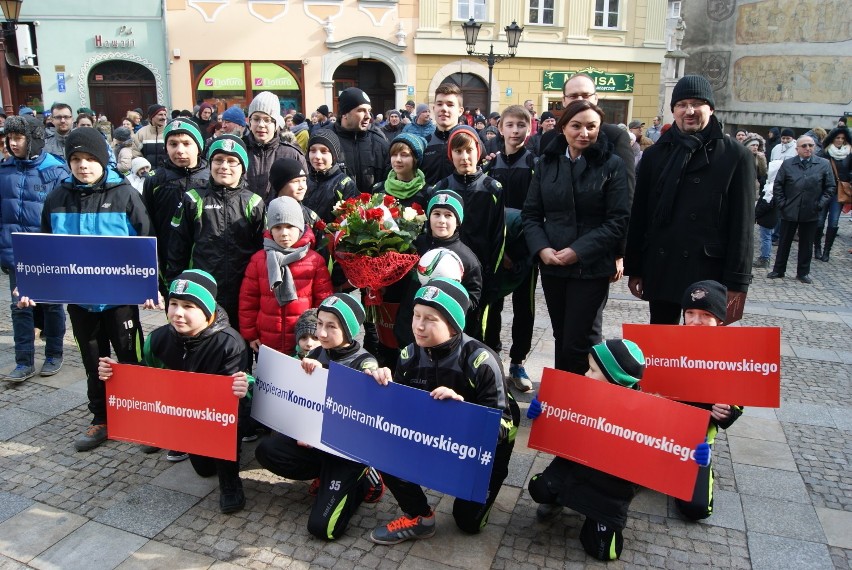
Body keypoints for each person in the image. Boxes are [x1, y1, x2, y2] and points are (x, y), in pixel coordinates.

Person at [526, 338, 711, 561]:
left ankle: (595, 515)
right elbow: (559, 422)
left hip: (610, 489)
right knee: (538, 489)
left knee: (605, 552)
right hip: (573, 467)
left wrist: (696, 455)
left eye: (593, 370)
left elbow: (667, 449)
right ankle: (557, 498)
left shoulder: (651, 412)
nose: (585, 374)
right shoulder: (579, 393)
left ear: (615, 379)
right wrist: (542, 410)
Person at [368, 278, 518, 544]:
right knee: (383, 447)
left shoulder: (482, 361)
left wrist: (462, 413)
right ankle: (419, 517)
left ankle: (487, 484)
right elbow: (397, 415)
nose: (419, 326)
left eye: (431, 319)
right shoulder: (408, 355)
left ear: (453, 324)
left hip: (481, 446)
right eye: (416, 315)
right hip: (437, 436)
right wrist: (380, 383)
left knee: (468, 523)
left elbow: (504, 427)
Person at [97, 270, 252, 513]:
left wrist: (244, 386)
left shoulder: (230, 343)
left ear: (208, 310)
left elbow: (242, 390)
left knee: (225, 443)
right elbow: (145, 378)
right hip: (181, 412)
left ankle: (230, 482)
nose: (178, 313)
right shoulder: (158, 338)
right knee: (203, 469)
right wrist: (115, 374)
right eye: (173, 304)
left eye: (189, 306)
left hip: (217, 416)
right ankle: (181, 440)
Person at [36, 127, 152, 451]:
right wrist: (36, 286)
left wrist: (149, 287)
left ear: (102, 160)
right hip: (80, 301)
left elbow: (145, 242)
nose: (83, 165)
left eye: (89, 158)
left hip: (121, 301)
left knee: (130, 357)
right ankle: (101, 417)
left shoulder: (125, 194)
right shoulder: (57, 198)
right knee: (93, 361)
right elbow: (44, 250)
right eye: (76, 159)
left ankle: (140, 415)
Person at [624, 75, 754, 324]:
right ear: (673, 110)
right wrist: (636, 268)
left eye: (697, 103)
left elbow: (743, 226)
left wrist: (738, 281)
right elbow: (640, 215)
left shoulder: (736, 157)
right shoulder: (654, 155)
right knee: (662, 344)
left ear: (711, 108)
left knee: (701, 351)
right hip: (663, 265)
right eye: (682, 104)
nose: (689, 111)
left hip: (708, 269)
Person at [254, 292, 384, 541]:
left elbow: (364, 413)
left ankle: (365, 479)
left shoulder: (364, 363)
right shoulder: (316, 354)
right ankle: (324, 476)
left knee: (323, 529)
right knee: (267, 451)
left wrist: (377, 376)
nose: (321, 334)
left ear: (348, 329)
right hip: (318, 443)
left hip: (346, 452)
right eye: (320, 324)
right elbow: (303, 403)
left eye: (331, 326)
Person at [523, 100, 630, 376]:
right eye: (576, 126)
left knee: (581, 339)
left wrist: (578, 251)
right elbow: (532, 214)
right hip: (553, 264)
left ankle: (583, 403)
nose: (584, 132)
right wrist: (541, 248)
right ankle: (563, 400)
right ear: (563, 128)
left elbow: (618, 220)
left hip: (590, 266)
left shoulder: (612, 164)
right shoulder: (546, 162)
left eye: (591, 126)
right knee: (562, 336)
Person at [167, 134, 265, 329]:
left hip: (242, 292)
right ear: (210, 163)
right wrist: (173, 286)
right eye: (218, 160)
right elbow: (177, 248)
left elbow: (262, 252)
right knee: (205, 345)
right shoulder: (194, 198)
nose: (224, 166)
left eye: (232, 161)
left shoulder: (254, 202)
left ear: (243, 167)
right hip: (202, 290)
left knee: (239, 347)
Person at [0, 115, 69, 382]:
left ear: (34, 139)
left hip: (46, 252)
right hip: (16, 253)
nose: (13, 143)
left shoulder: (55, 171)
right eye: (10, 138)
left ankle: (54, 352)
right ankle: (23, 360)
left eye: (18, 138)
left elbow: (62, 216)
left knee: (52, 306)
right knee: (20, 308)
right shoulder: (4, 170)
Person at [673, 280, 742, 521]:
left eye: (705, 315)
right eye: (690, 313)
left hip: (697, 438)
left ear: (720, 320)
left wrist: (728, 412)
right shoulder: (665, 345)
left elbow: (738, 401)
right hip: (658, 429)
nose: (695, 321)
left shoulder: (730, 356)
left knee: (696, 509)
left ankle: (698, 469)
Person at [430, 125, 505, 343]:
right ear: (450, 155)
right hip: (448, 273)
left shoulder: (492, 188)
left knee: (483, 330)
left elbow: (499, 237)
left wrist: (493, 277)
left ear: (478, 151)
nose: (464, 157)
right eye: (458, 151)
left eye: (469, 150)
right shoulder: (441, 188)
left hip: (482, 274)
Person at [484, 105, 538, 391]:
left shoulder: (535, 164)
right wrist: (499, 250)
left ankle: (518, 361)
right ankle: (493, 357)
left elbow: (538, 209)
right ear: (500, 128)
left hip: (525, 249)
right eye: (510, 125)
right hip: (496, 250)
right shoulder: (490, 164)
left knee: (524, 308)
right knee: (492, 306)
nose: (515, 131)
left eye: (521, 125)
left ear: (529, 129)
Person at [238, 196, 332, 355]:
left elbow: (323, 301)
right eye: (278, 227)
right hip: (267, 341)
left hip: (304, 341)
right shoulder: (259, 260)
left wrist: (319, 335)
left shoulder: (314, 261)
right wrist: (250, 334)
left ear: (301, 228)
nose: (284, 233)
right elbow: (248, 301)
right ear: (270, 230)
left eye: (290, 226)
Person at [394, 190, 483, 351]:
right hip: (409, 328)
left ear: (458, 221)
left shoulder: (467, 258)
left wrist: (449, 306)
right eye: (436, 214)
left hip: (443, 337)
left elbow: (474, 296)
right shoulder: (415, 245)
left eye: (448, 215)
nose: (442, 220)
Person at [143, 119, 210, 298]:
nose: (179, 150)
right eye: (173, 144)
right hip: (169, 259)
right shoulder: (155, 180)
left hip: (203, 259)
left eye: (186, 143)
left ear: (198, 146)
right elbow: (148, 225)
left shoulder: (211, 178)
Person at [767, 136, 835, 284]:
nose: (807, 148)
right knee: (784, 242)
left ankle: (803, 272)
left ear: (815, 147)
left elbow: (830, 187)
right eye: (804, 146)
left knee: (806, 244)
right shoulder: (788, 164)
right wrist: (782, 203)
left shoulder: (823, 164)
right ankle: (779, 269)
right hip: (790, 209)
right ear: (797, 148)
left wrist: (820, 204)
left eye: (811, 145)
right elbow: (778, 185)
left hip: (811, 210)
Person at [242, 91, 307, 201]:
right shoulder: (239, 151)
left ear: (276, 123)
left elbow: (305, 192)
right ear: (250, 122)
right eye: (256, 119)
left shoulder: (291, 154)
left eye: (267, 120)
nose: (261, 125)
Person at [332, 87, 390, 195]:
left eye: (369, 111)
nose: (368, 116)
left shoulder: (380, 142)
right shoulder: (327, 142)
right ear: (344, 113)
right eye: (361, 110)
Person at [302, 129, 358, 224]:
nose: (317, 156)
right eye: (313, 150)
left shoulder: (344, 184)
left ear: (334, 156)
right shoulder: (304, 180)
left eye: (324, 151)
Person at [814, 126, 850, 262]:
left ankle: (827, 251)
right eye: (837, 138)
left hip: (838, 192)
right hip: (823, 191)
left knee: (833, 222)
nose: (840, 140)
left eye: (842, 138)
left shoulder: (849, 153)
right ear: (832, 139)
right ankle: (817, 247)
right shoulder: (824, 153)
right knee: (819, 221)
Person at [420, 84, 464, 184]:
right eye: (439, 104)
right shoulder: (424, 144)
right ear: (434, 108)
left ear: (460, 111)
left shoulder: (470, 142)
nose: (444, 108)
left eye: (450, 104)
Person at [132, 104, 169, 168]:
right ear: (152, 116)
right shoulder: (141, 133)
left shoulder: (169, 132)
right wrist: (143, 170)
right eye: (160, 114)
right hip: (148, 174)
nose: (164, 117)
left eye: (165, 114)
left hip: (167, 174)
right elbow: (136, 155)